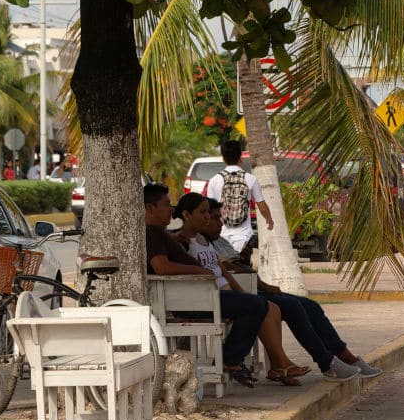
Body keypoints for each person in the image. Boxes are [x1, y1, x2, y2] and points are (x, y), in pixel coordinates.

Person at [195, 197, 381, 380]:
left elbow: (240, 267)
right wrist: (261, 284)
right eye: (214, 218)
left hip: (251, 288)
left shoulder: (219, 241)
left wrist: (252, 268)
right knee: (293, 307)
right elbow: (227, 271)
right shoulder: (197, 244)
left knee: (311, 306)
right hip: (240, 292)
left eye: (220, 218)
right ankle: (327, 362)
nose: (220, 223)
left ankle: (345, 356)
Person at [144, 183, 296, 387]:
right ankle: (230, 359)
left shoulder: (161, 233)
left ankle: (236, 359)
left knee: (258, 303)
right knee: (256, 306)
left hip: (203, 295)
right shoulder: (152, 232)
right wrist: (200, 271)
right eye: (166, 204)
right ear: (149, 208)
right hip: (194, 301)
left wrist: (175, 239)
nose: (171, 209)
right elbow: (161, 266)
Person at [204, 139, 274, 254]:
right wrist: (269, 220)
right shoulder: (251, 179)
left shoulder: (214, 180)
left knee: (226, 267)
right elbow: (262, 206)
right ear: (240, 158)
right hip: (244, 237)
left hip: (221, 235)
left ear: (223, 159)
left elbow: (210, 210)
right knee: (242, 267)